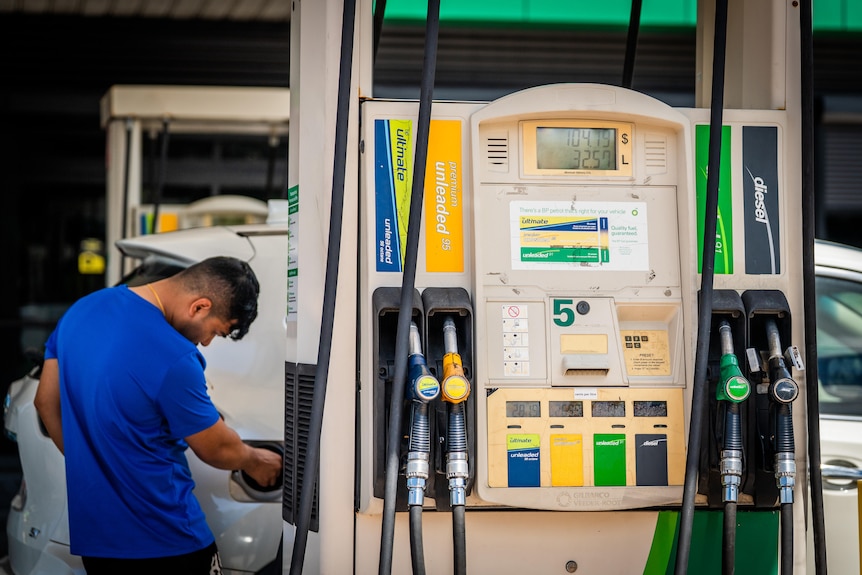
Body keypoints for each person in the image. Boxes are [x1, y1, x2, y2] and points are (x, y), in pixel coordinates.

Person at [34, 256, 283, 574]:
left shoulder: (83, 309)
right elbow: (216, 448)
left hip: (97, 542)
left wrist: (95, 461)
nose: (206, 342)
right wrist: (256, 461)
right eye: (215, 332)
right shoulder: (174, 356)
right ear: (200, 307)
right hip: (167, 538)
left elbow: (45, 402)